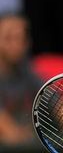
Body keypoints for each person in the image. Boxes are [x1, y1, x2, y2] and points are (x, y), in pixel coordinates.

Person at [0, 13, 43, 145]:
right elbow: (10, 134)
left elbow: (61, 107)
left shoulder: (29, 74)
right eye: (8, 38)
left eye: (21, 38)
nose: (16, 44)